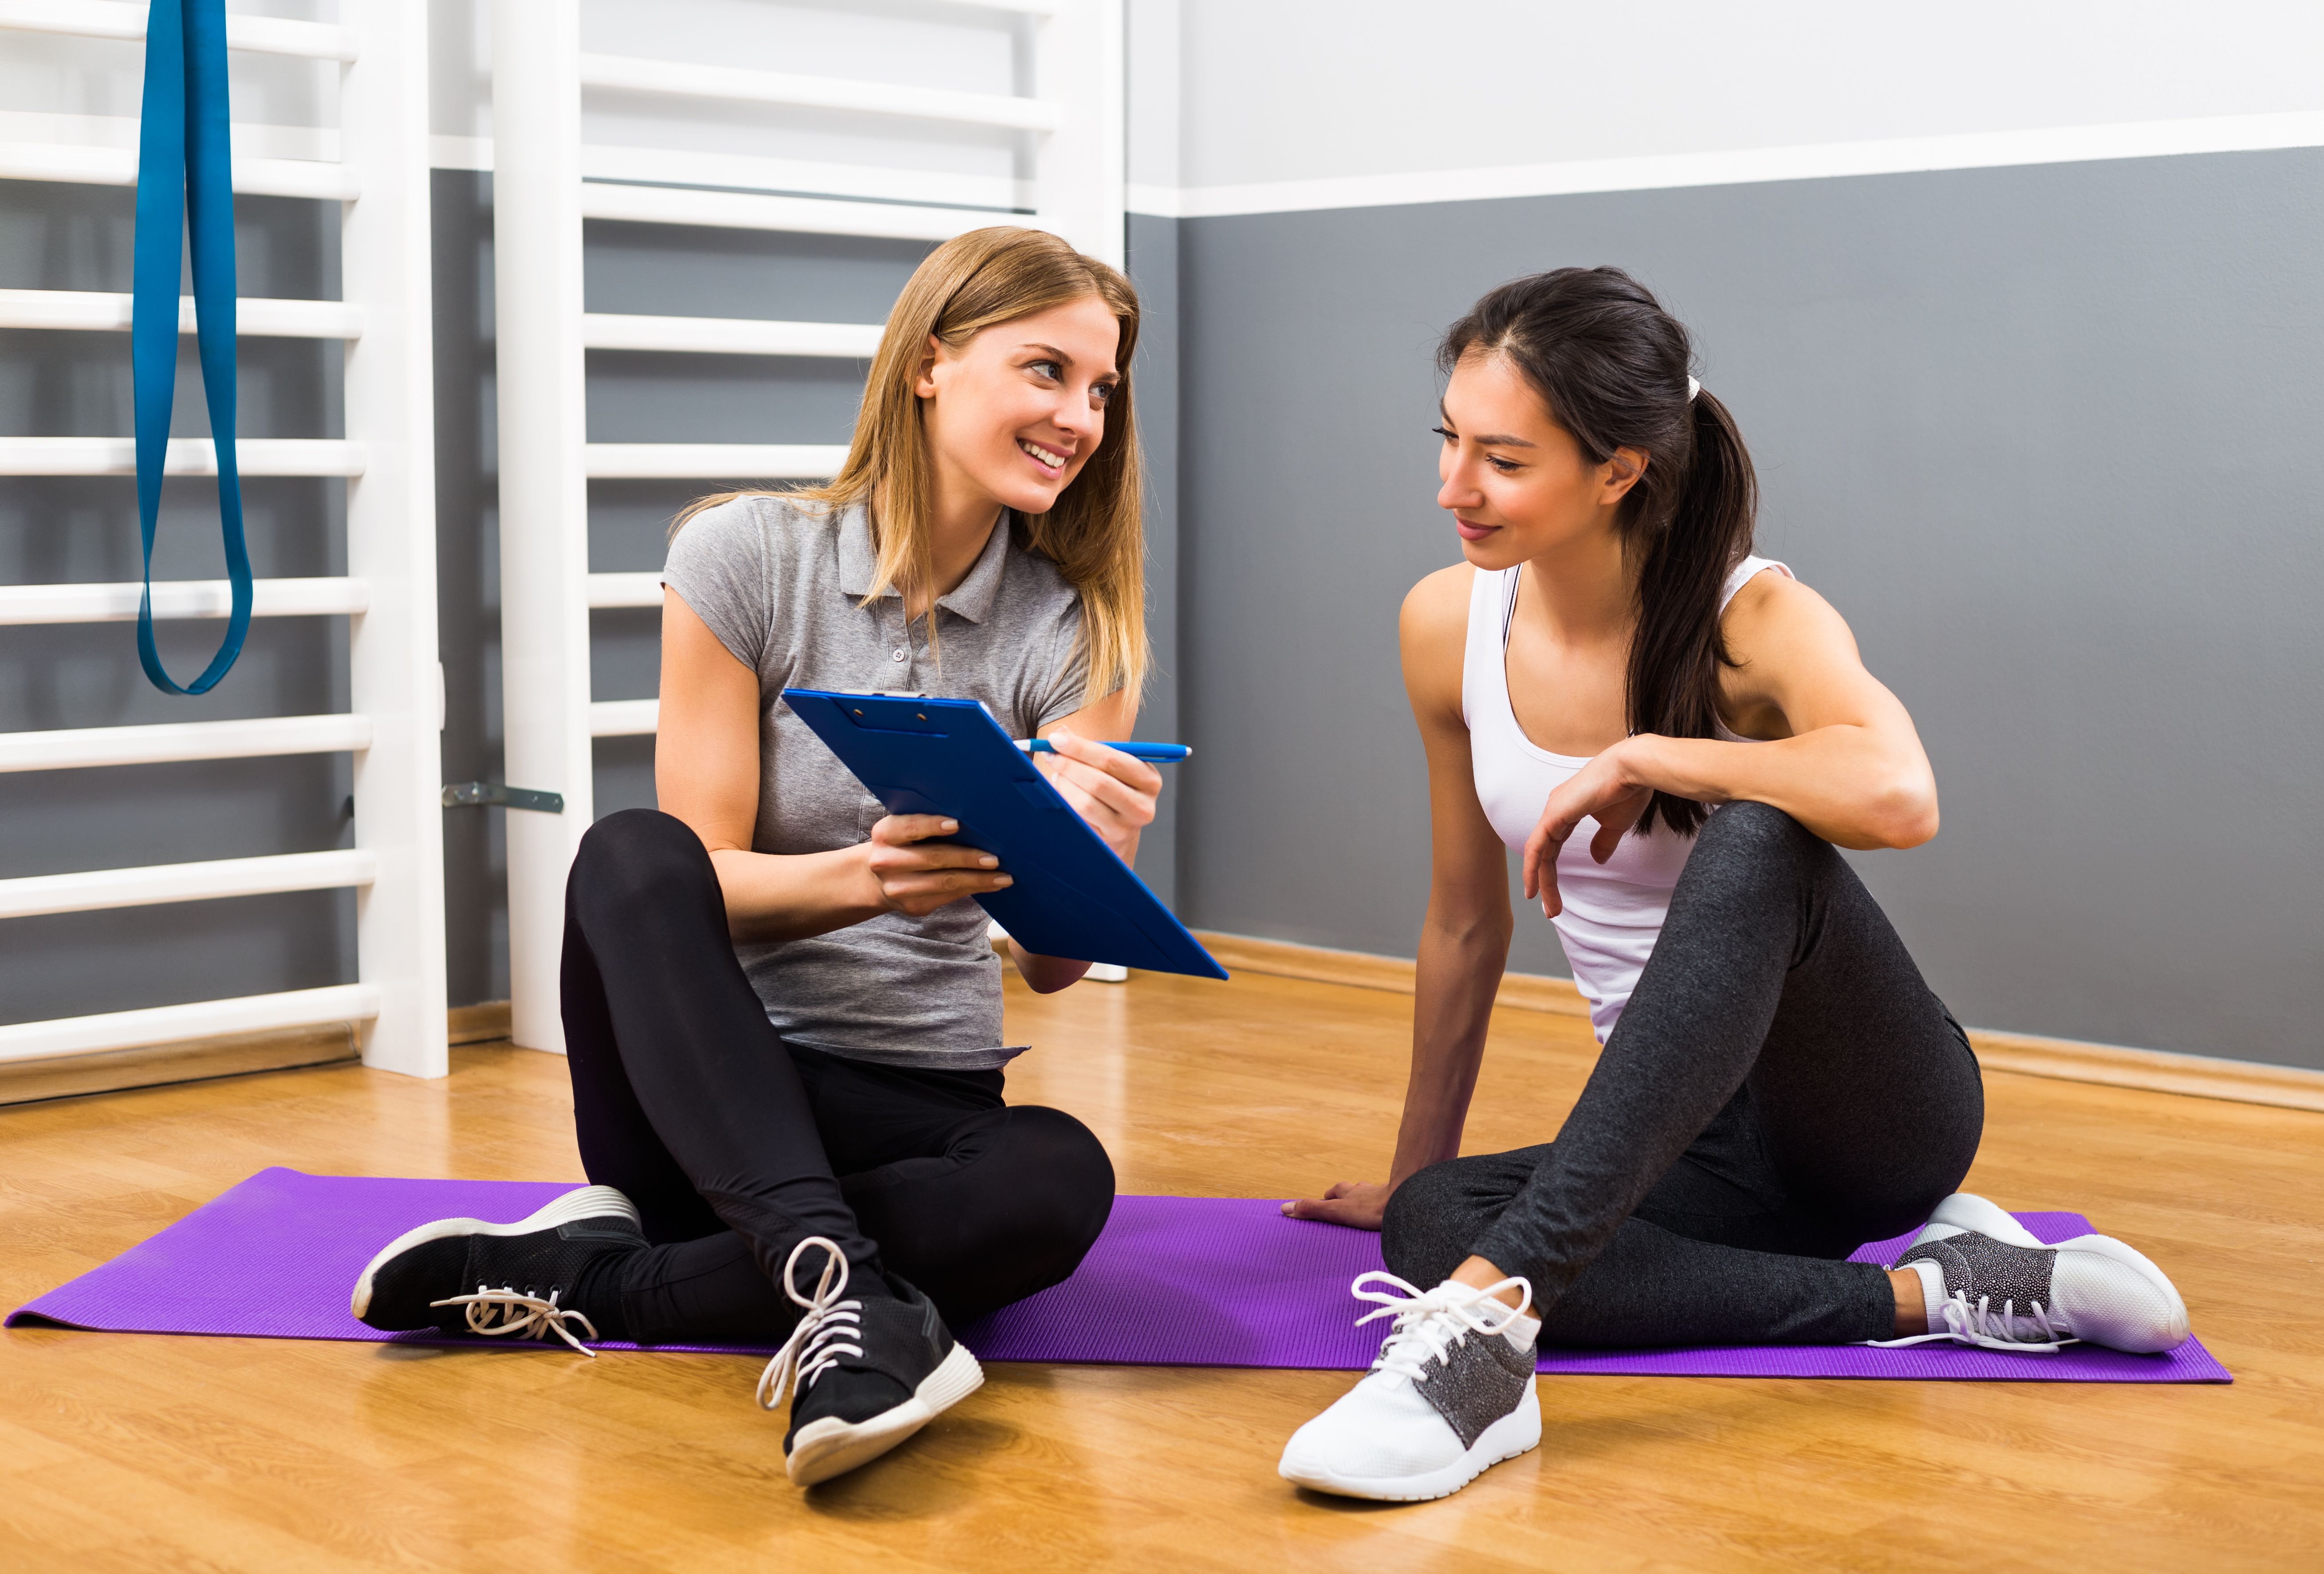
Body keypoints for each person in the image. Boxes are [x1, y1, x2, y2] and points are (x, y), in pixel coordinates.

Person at [1275, 267, 2191, 1503]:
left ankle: (1490, 1334)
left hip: (1862, 1114)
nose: (1452, 487)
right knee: (1433, 1220)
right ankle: (1947, 1289)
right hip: (1679, 1145)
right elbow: (1460, 914)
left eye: (1501, 457)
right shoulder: (1445, 623)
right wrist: (1407, 1164)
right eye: (1447, 440)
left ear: (1619, 469)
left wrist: (1653, 752)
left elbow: (1900, 793)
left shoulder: (1750, 614)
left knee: (1757, 833)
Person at [349, 226, 1166, 1487]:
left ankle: (622, 1275)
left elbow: (1052, 968)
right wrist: (867, 879)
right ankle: (841, 1286)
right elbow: (694, 880)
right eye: (1045, 370)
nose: (1079, 415)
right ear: (930, 364)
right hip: (703, 1085)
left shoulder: (1078, 631)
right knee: (628, 849)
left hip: (914, 1100)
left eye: (1101, 389)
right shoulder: (743, 555)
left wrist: (1095, 867)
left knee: (1056, 1178)